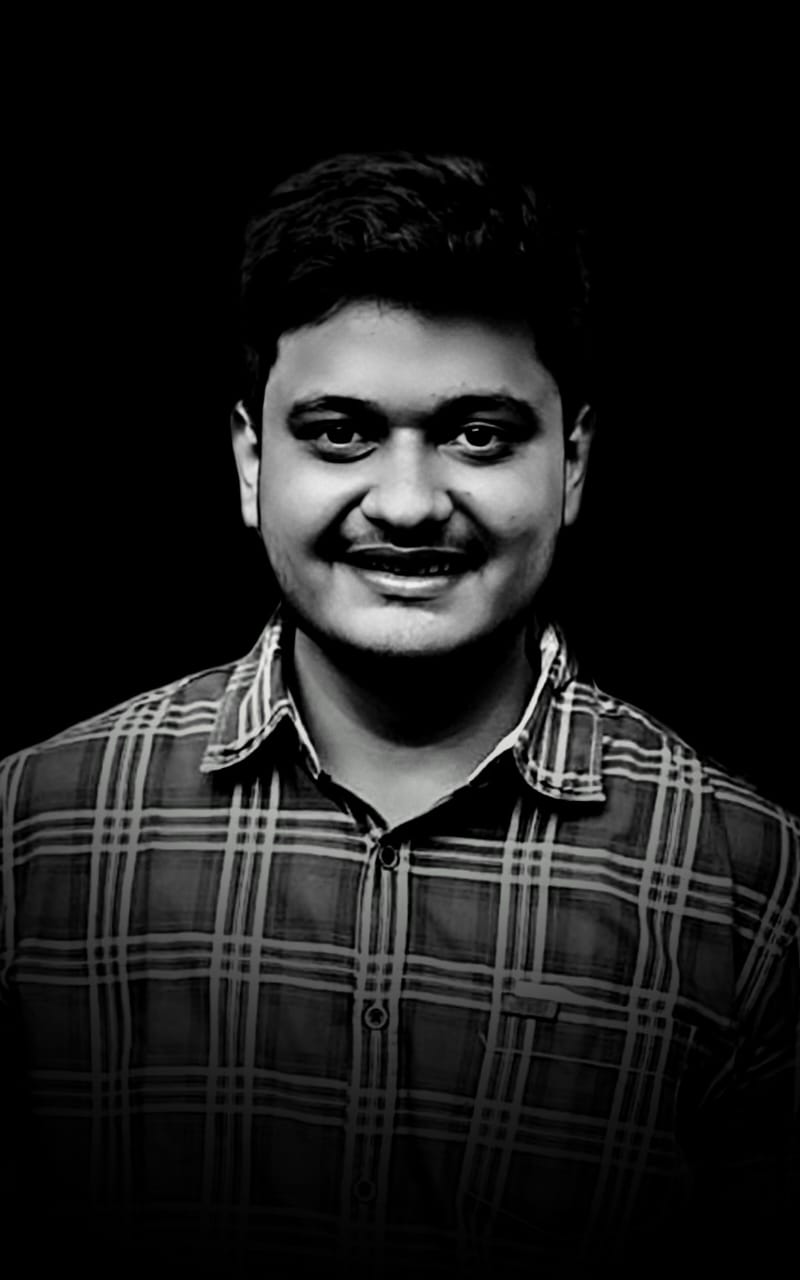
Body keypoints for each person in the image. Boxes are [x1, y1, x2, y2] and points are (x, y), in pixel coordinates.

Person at [1, 151, 797, 1280]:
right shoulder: (34, 831)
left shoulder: (752, 882)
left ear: (572, 464)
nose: (411, 503)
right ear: (250, 461)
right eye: (340, 432)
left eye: (479, 434)